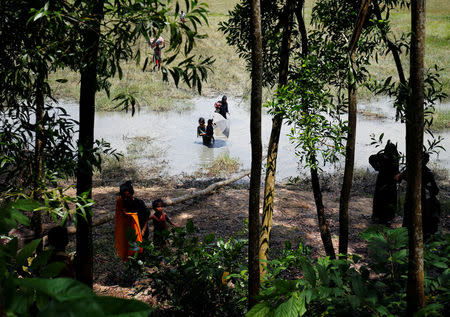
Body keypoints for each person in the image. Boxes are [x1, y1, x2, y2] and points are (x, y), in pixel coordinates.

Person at [396, 152, 440, 239]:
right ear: (426, 161)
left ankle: (407, 236)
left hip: (410, 199)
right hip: (423, 200)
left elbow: (398, 178)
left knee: (408, 219)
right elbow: (435, 190)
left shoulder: (410, 170)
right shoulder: (428, 173)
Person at [115, 181, 150, 261]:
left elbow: (147, 216)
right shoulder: (123, 203)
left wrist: (143, 230)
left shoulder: (139, 203)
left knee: (142, 246)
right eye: (124, 196)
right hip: (131, 229)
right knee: (132, 246)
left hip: (141, 227)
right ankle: (134, 262)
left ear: (132, 193)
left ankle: (143, 263)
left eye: (128, 195)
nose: (127, 198)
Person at [369, 141, 399, 224]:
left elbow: (396, 170)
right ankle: (379, 217)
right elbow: (371, 158)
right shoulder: (383, 157)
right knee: (381, 199)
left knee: (387, 199)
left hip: (389, 182)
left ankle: (387, 217)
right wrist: (377, 167)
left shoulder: (395, 158)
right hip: (384, 181)